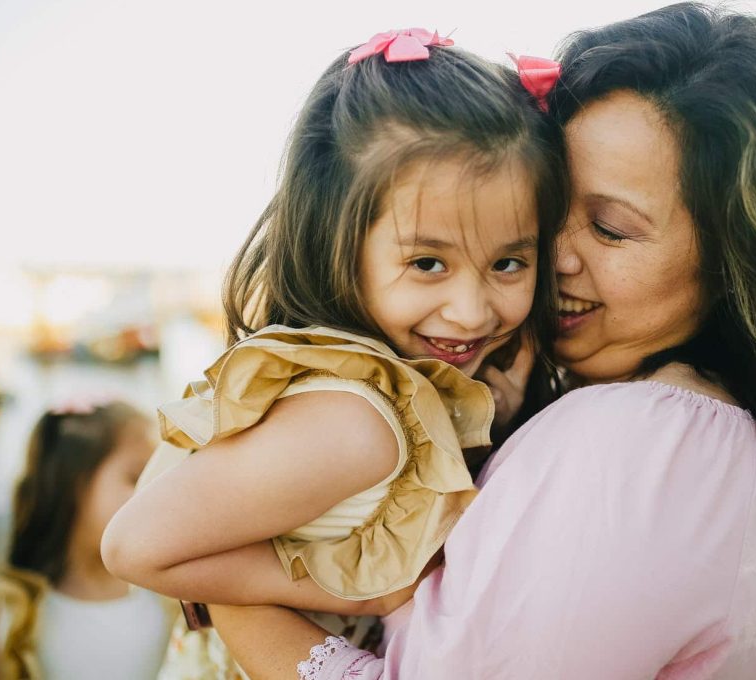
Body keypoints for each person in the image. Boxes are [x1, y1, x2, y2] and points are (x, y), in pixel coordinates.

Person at [203, 5, 756, 679]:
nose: (555, 256)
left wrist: (222, 587)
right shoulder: (691, 431)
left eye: (610, 228)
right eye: (545, 212)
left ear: (739, 261)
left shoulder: (641, 443)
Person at [100, 27, 566, 677]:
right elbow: (131, 547)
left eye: (508, 262)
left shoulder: (397, 386)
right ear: (336, 244)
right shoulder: (355, 423)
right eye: (429, 262)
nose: (473, 309)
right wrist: (353, 588)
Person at [0, 399, 171, 680]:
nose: (156, 492)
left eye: (160, 477)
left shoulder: (170, 595)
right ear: (72, 485)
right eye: (136, 476)